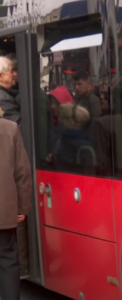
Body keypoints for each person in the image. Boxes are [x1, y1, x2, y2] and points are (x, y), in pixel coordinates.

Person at [0, 57, 32, 300]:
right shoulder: (11, 129)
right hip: (6, 214)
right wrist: (22, 208)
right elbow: (22, 173)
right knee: (8, 261)